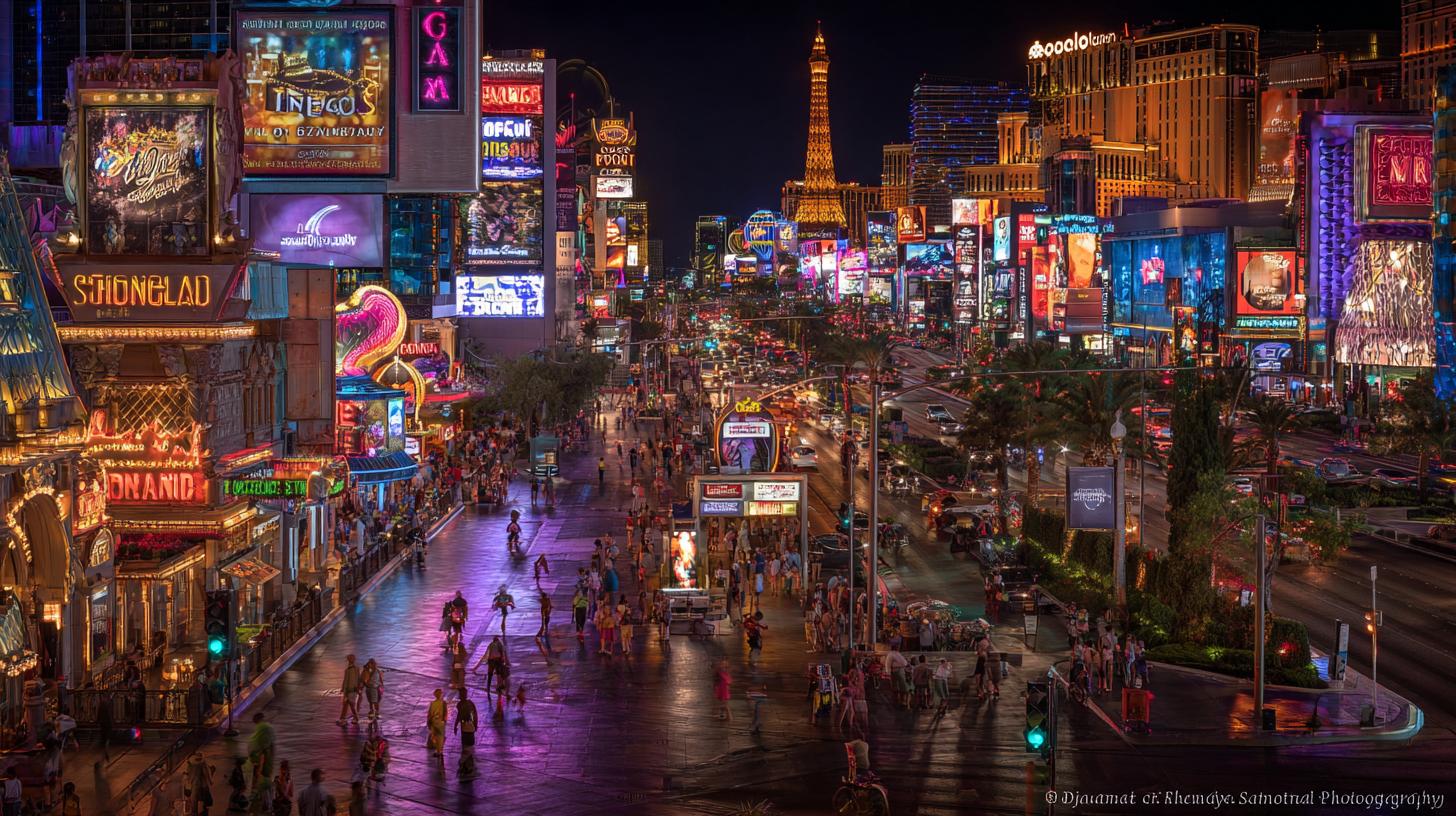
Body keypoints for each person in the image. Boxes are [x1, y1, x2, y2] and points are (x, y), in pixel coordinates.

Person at [455, 691, 479, 779]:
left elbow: (472, 715)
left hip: (467, 728)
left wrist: (456, 725)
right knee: (468, 747)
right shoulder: (467, 704)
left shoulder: (462, 704)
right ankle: (466, 765)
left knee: (467, 747)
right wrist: (475, 724)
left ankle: (464, 763)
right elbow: (474, 715)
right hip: (467, 728)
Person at [337, 654, 361, 725]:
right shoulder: (355, 669)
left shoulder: (349, 670)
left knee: (350, 705)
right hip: (352, 690)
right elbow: (357, 679)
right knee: (346, 705)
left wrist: (344, 691)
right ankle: (343, 718)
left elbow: (346, 681)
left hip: (350, 691)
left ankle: (354, 718)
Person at [427, 689, 447, 765]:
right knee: (436, 737)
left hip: (439, 723)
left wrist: (443, 721)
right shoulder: (433, 703)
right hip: (435, 722)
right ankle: (438, 750)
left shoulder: (442, 703)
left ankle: (439, 751)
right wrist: (429, 721)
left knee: (439, 737)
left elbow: (445, 713)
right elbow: (430, 713)